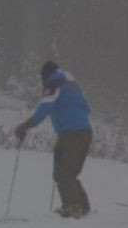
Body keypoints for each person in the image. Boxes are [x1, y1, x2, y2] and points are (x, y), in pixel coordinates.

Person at [14, 61, 93, 218]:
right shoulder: (72, 86)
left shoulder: (53, 84)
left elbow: (44, 109)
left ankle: (73, 208)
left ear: (45, 76)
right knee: (70, 172)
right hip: (85, 132)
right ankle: (82, 206)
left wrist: (24, 126)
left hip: (71, 134)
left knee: (62, 173)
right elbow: (86, 108)